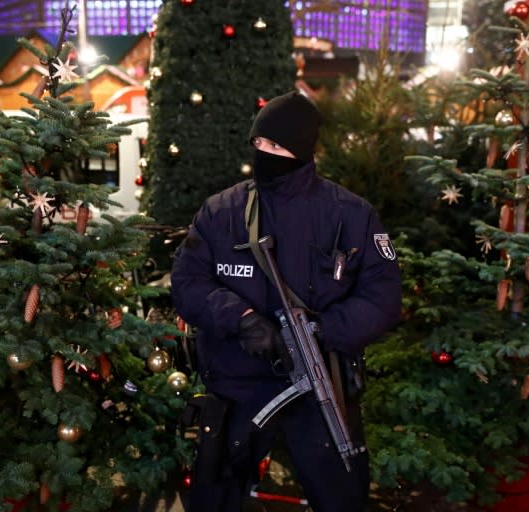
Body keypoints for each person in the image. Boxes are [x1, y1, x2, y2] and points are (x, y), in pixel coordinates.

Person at [171, 91, 401, 512]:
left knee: (341, 497)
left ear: (302, 150)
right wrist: (239, 317)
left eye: (275, 146)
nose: (264, 154)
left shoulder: (350, 215)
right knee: (214, 498)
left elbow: (382, 298)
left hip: (320, 388)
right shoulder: (222, 211)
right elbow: (187, 282)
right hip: (235, 387)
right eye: (258, 144)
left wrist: (321, 330)